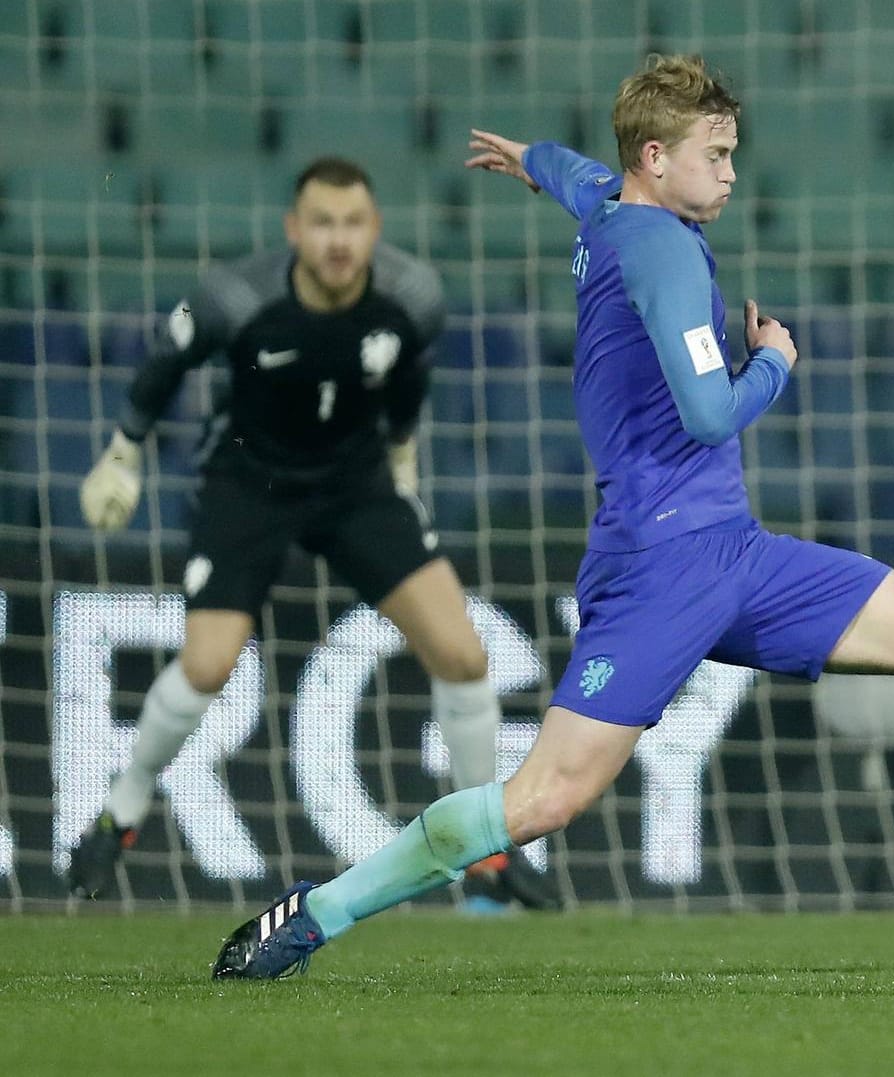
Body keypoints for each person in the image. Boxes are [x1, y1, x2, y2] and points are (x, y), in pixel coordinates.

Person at [210, 55, 894, 978]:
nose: (733, 172)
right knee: (540, 805)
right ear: (658, 159)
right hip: (660, 566)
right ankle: (321, 911)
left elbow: (580, 178)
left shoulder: (615, 204)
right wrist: (775, 365)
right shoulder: (661, 249)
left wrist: (532, 155)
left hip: (738, 556)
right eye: (717, 152)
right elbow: (711, 410)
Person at [70, 157, 557, 911]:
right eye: (323, 224)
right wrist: (123, 450)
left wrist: (400, 456)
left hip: (355, 486)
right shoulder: (237, 298)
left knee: (464, 654)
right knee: (205, 667)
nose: (339, 241)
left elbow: (406, 380)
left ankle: (484, 854)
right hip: (248, 484)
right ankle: (120, 812)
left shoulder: (412, 297)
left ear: (375, 229)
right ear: (295, 230)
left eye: (353, 223)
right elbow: (167, 361)